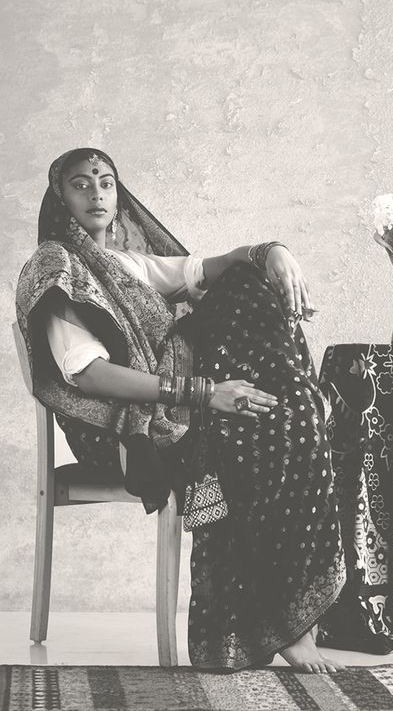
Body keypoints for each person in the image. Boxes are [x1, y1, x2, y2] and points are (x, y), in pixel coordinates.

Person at [16, 148, 346, 673]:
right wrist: (203, 393)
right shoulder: (57, 267)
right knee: (246, 440)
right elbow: (87, 374)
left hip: (180, 409)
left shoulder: (128, 265)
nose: (97, 194)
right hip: (123, 430)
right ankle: (279, 625)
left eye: (106, 182)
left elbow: (209, 268)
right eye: (80, 185)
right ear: (59, 200)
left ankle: (296, 399)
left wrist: (271, 250)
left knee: (247, 288)